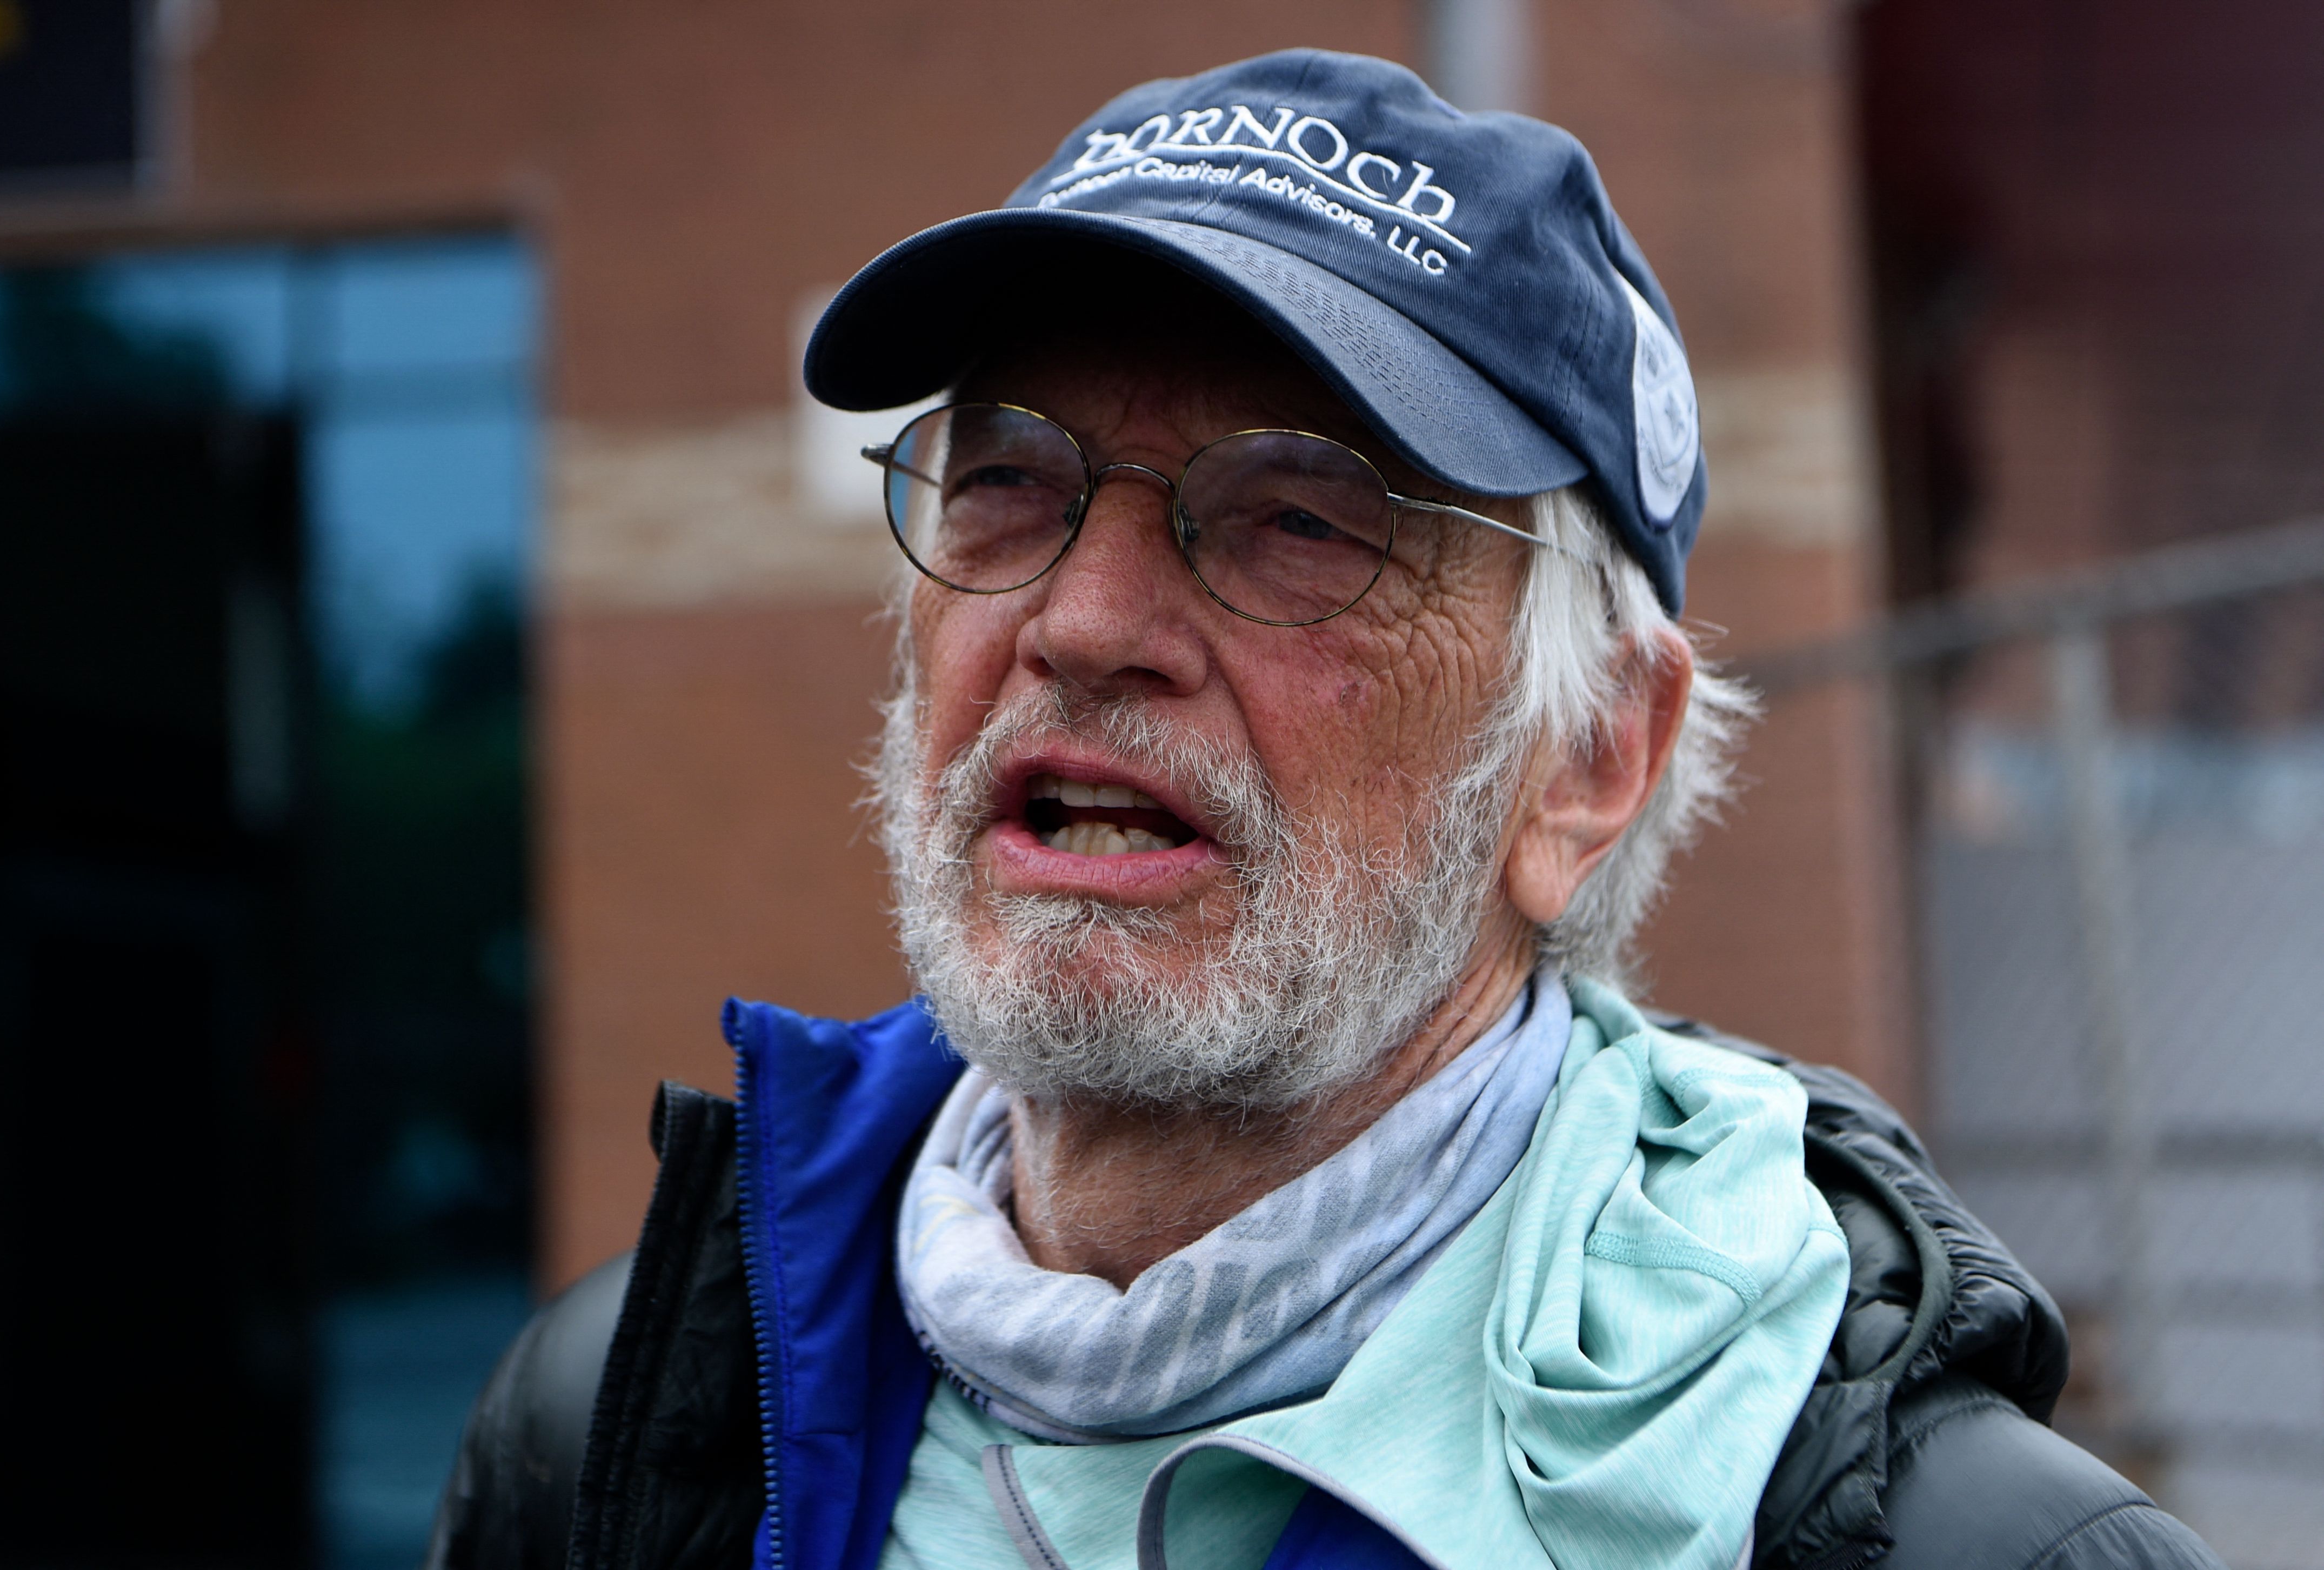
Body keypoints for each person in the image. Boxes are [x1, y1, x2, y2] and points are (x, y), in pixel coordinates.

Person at [427, 50, 2222, 1570]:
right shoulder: (611, 1429)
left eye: (1296, 520)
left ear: (1588, 757)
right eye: (1009, 480)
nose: (1083, 623)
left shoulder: (1962, 1542)